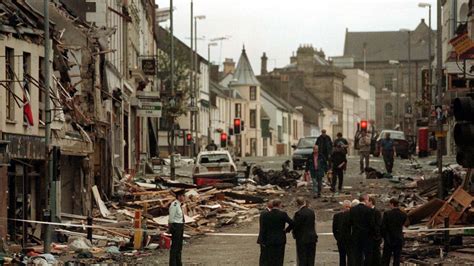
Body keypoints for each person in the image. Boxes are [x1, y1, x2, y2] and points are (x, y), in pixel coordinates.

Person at [259, 198, 294, 266]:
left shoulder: (266, 214)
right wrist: (286, 230)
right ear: (279, 205)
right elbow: (292, 223)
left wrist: (262, 239)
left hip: (269, 239)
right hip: (280, 239)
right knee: (279, 258)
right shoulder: (283, 214)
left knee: (270, 258)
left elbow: (263, 228)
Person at [349, 194, 376, 266]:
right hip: (367, 236)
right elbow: (372, 224)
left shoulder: (352, 210)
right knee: (367, 255)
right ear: (365, 199)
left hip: (356, 235)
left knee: (357, 255)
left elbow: (350, 222)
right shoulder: (369, 210)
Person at [381, 198, 409, 266]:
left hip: (389, 239)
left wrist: (384, 237)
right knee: (397, 258)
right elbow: (404, 224)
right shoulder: (403, 214)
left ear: (392, 204)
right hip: (399, 238)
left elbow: (383, 227)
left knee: (386, 258)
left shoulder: (387, 214)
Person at [292, 197, 317, 266]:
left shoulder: (298, 213)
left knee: (302, 258)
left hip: (302, 238)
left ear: (297, 204)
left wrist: (293, 233)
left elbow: (296, 225)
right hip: (312, 237)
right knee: (311, 257)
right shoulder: (311, 212)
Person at [168, 189, 186, 266]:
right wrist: (172, 227)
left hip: (180, 225)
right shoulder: (174, 205)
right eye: (183, 196)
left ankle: (178, 263)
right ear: (179, 196)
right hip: (176, 226)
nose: (184, 197)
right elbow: (171, 217)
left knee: (179, 247)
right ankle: (173, 264)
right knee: (175, 247)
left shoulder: (179, 205)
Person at [333, 200, 352, 266]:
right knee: (342, 258)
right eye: (347, 207)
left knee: (350, 258)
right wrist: (338, 238)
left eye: (349, 207)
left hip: (350, 240)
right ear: (343, 207)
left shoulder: (352, 216)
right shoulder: (337, 216)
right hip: (341, 240)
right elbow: (334, 229)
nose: (348, 208)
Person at [367, 197, 382, 266]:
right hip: (370, 237)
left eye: (368, 201)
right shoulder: (369, 211)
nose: (366, 203)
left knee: (376, 254)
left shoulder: (376, 212)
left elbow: (378, 225)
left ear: (371, 202)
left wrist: (377, 236)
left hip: (375, 237)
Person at [257, 200, 273, 266]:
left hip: (268, 238)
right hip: (264, 238)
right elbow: (263, 227)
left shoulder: (268, 212)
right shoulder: (265, 213)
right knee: (264, 255)